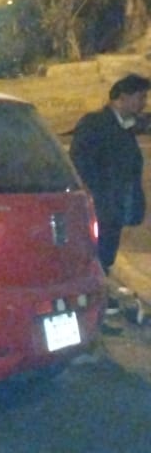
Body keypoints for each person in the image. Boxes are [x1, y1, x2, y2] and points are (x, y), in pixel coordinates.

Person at [69, 73, 150, 293]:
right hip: (100, 207)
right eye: (140, 97)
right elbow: (80, 164)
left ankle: (101, 301)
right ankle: (95, 305)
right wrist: (92, 198)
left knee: (106, 256)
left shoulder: (126, 125)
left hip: (115, 207)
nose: (144, 103)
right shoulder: (95, 124)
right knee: (96, 257)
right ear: (122, 97)